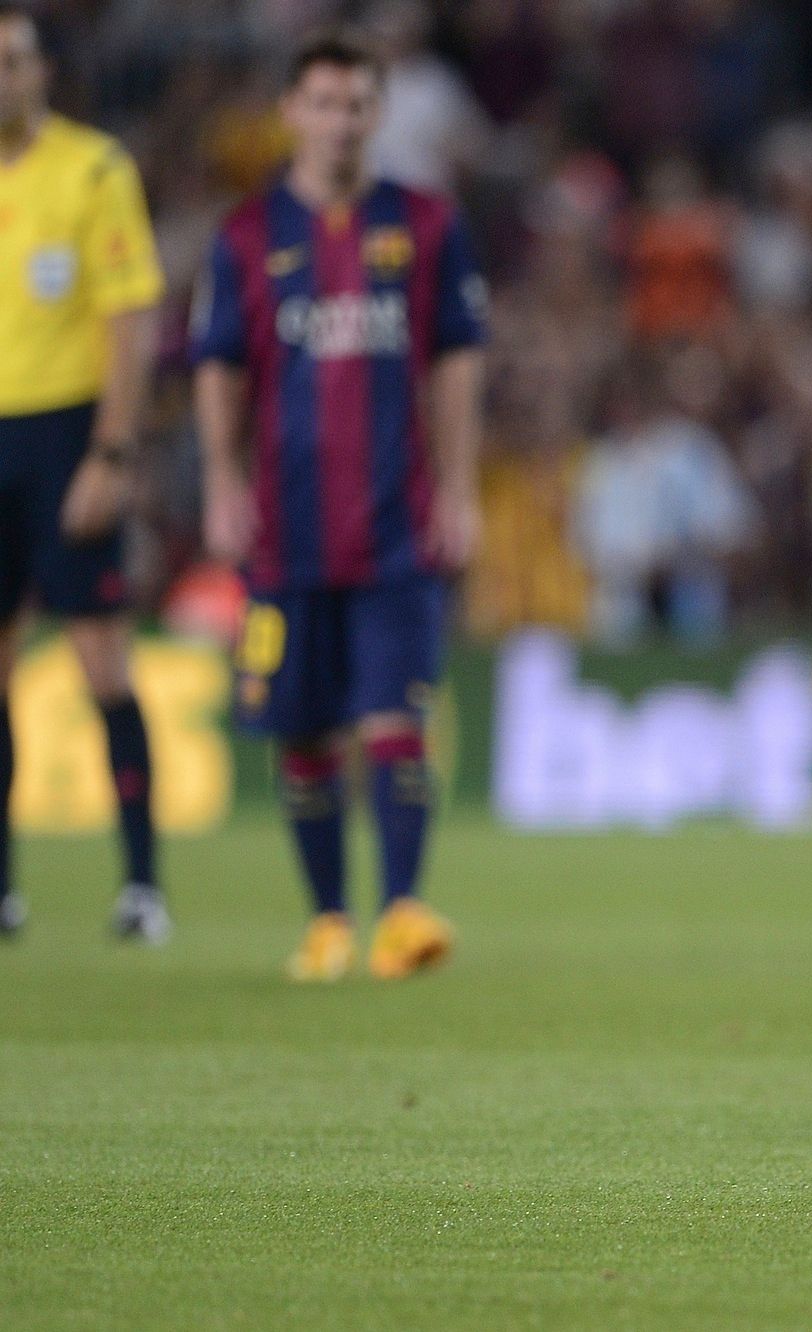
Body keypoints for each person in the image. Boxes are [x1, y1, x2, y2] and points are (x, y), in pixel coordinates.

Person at [192, 31, 487, 981]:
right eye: (323, 102)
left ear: (380, 112)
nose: (340, 120)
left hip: (397, 522)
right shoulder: (245, 235)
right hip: (285, 529)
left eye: (357, 103)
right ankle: (327, 921)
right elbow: (219, 371)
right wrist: (224, 483)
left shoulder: (429, 225)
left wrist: (461, 484)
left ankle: (402, 911)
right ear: (289, 112)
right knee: (303, 730)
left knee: (393, 716)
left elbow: (456, 360)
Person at [0, 4, 168, 942]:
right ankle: (2, 891)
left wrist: (112, 450)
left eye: (14, 61)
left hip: (66, 434)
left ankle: (142, 885)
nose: (1, 78)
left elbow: (131, 321)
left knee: (101, 657)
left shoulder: (93, 168)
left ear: (40, 73)